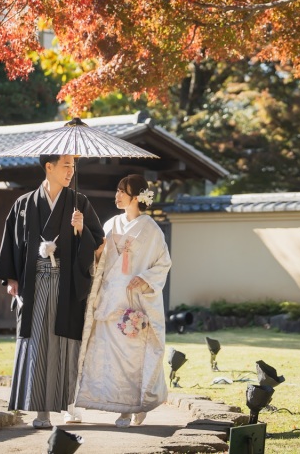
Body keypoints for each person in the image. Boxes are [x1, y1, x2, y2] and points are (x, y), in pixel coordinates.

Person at [0, 154, 105, 430]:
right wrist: (11, 278)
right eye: (66, 165)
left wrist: (81, 230)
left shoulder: (79, 203)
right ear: (49, 167)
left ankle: (69, 406)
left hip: (67, 285)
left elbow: (98, 243)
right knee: (37, 344)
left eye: (74, 166)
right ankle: (41, 411)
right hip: (33, 285)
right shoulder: (23, 204)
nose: (71, 171)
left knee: (65, 344)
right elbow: (11, 241)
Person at [74, 174, 172, 428]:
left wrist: (145, 278)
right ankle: (112, 402)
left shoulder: (151, 228)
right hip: (109, 298)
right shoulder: (111, 224)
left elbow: (163, 263)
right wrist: (91, 244)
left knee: (131, 357)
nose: (116, 195)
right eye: (116, 190)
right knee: (108, 355)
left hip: (133, 300)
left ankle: (130, 408)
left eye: (122, 191)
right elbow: (100, 258)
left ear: (136, 197)